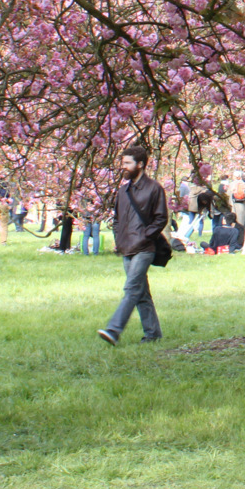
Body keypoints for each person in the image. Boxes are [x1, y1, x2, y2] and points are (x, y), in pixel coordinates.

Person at [99, 144, 168, 346]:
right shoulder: (123, 190)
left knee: (131, 288)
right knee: (141, 292)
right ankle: (153, 333)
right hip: (126, 247)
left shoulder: (154, 188)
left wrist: (145, 236)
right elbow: (118, 219)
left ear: (140, 164)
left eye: (128, 163)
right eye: (123, 163)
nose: (124, 167)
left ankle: (114, 329)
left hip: (144, 248)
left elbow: (161, 217)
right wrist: (119, 238)